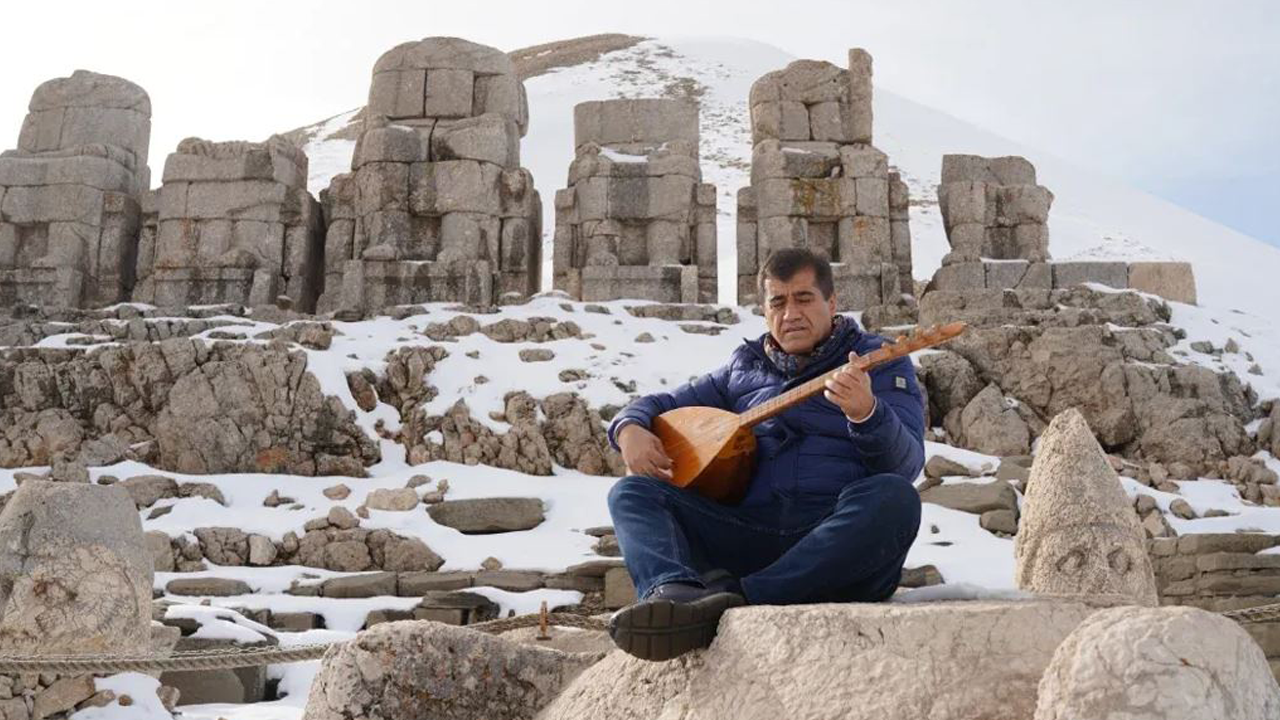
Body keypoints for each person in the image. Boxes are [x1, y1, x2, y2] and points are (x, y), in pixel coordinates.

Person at [605, 248, 925, 661]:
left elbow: (905, 466)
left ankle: (737, 599)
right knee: (631, 494)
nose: (790, 313)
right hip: (751, 534)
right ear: (765, 311)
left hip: (832, 544)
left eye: (804, 298)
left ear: (832, 302)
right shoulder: (743, 368)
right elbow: (662, 403)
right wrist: (629, 427)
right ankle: (674, 594)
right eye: (778, 302)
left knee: (894, 500)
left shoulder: (880, 363)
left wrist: (867, 413)